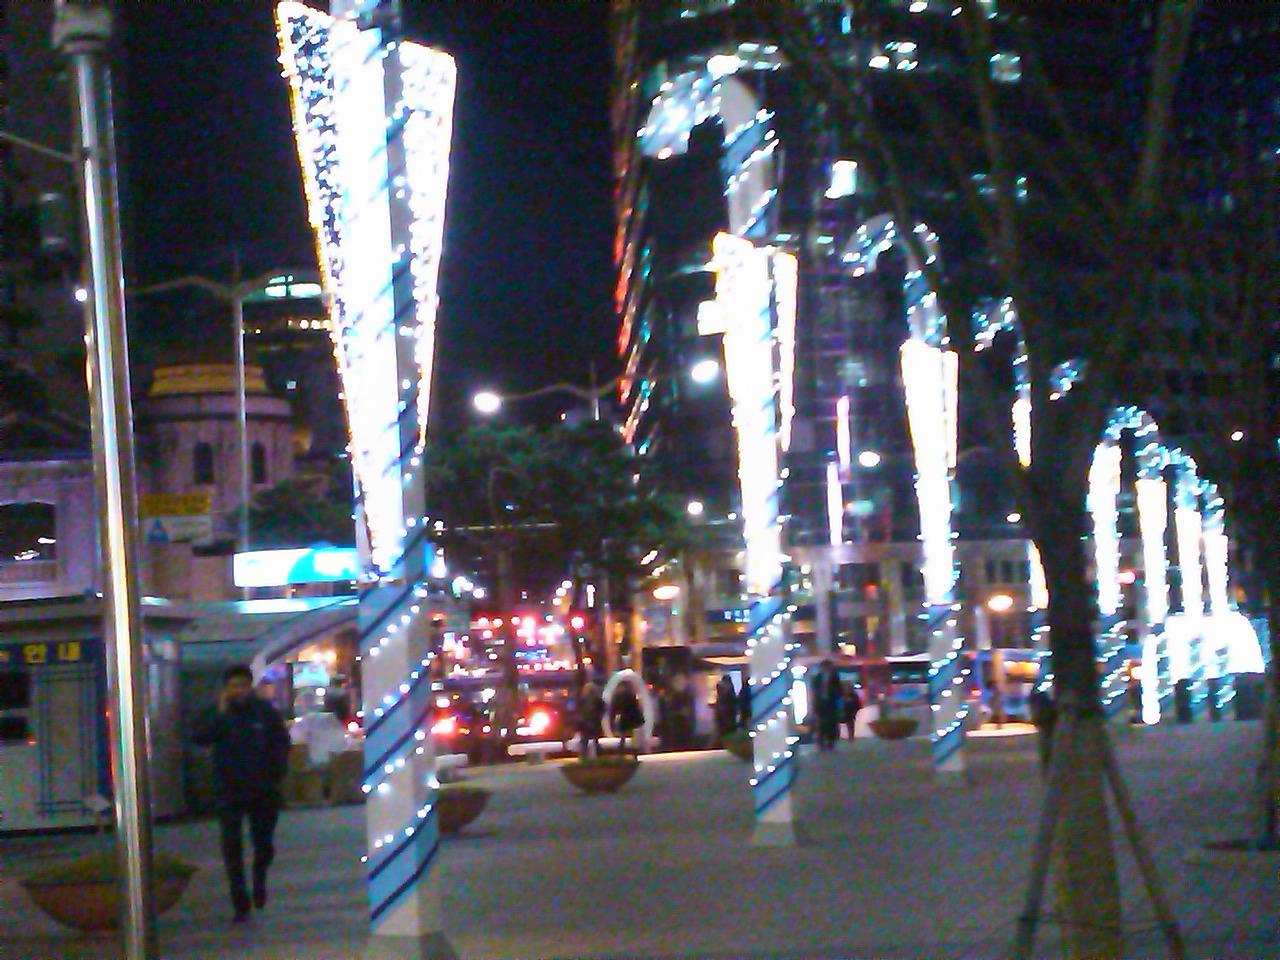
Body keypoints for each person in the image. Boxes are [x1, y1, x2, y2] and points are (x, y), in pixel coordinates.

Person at [193, 664, 291, 923]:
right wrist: (220, 713)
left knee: (263, 844)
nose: (240, 691)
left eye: (244, 686)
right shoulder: (218, 712)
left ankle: (259, 880)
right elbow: (199, 737)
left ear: (251, 686)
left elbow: (281, 744)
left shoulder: (264, 712)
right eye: (234, 686)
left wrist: (275, 776)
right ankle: (240, 901)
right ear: (226, 688)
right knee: (231, 846)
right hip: (229, 790)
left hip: (262, 790)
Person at [811, 660, 843, 751]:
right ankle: (820, 742)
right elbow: (814, 691)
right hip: (821, 703)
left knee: (831, 723)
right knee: (821, 724)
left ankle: (830, 742)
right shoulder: (817, 677)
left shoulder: (835, 677)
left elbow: (839, 690)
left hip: (831, 703)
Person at [611, 681, 644, 755]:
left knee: (623, 736)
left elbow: (614, 708)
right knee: (631, 735)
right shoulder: (631, 695)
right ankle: (633, 751)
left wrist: (614, 717)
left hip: (623, 718)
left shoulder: (617, 696)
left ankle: (621, 751)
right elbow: (635, 707)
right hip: (630, 717)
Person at [578, 679, 604, 758]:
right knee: (594, 741)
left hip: (587, 722)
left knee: (585, 741)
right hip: (593, 722)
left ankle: (584, 757)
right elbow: (603, 709)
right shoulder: (597, 700)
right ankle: (597, 756)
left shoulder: (583, 700)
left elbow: (579, 711)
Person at [715, 673, 738, 740]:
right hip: (729, 712)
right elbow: (733, 701)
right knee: (730, 730)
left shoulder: (720, 688)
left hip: (721, 710)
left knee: (722, 729)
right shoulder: (730, 688)